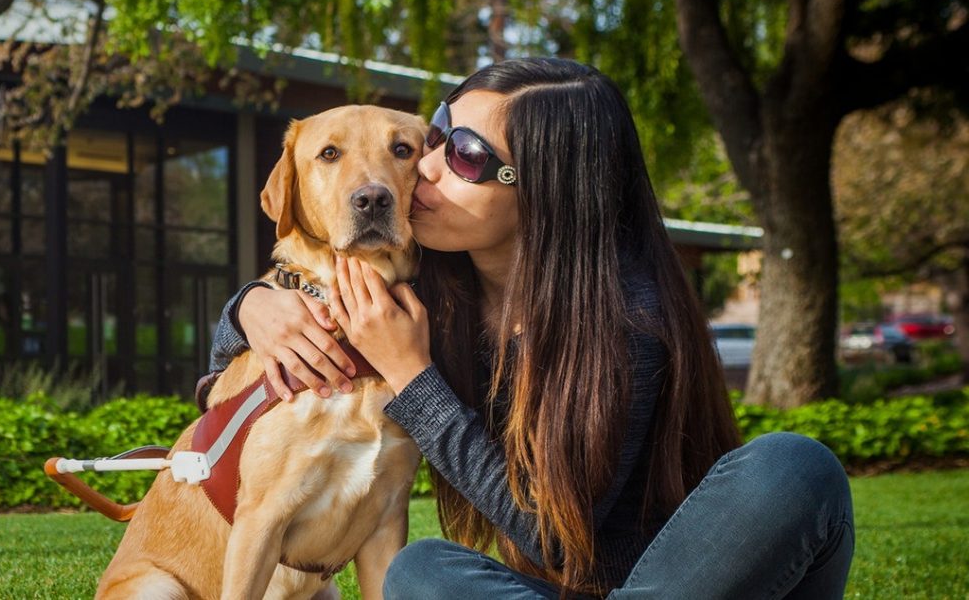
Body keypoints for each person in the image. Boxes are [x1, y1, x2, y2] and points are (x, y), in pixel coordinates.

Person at [208, 58, 854, 599]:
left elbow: (551, 536)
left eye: (465, 155)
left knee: (792, 468)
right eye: (436, 136)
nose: (425, 168)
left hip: (684, 584)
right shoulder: (430, 286)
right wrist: (251, 308)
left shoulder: (631, 318)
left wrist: (412, 375)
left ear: (544, 188)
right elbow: (222, 377)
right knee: (422, 572)